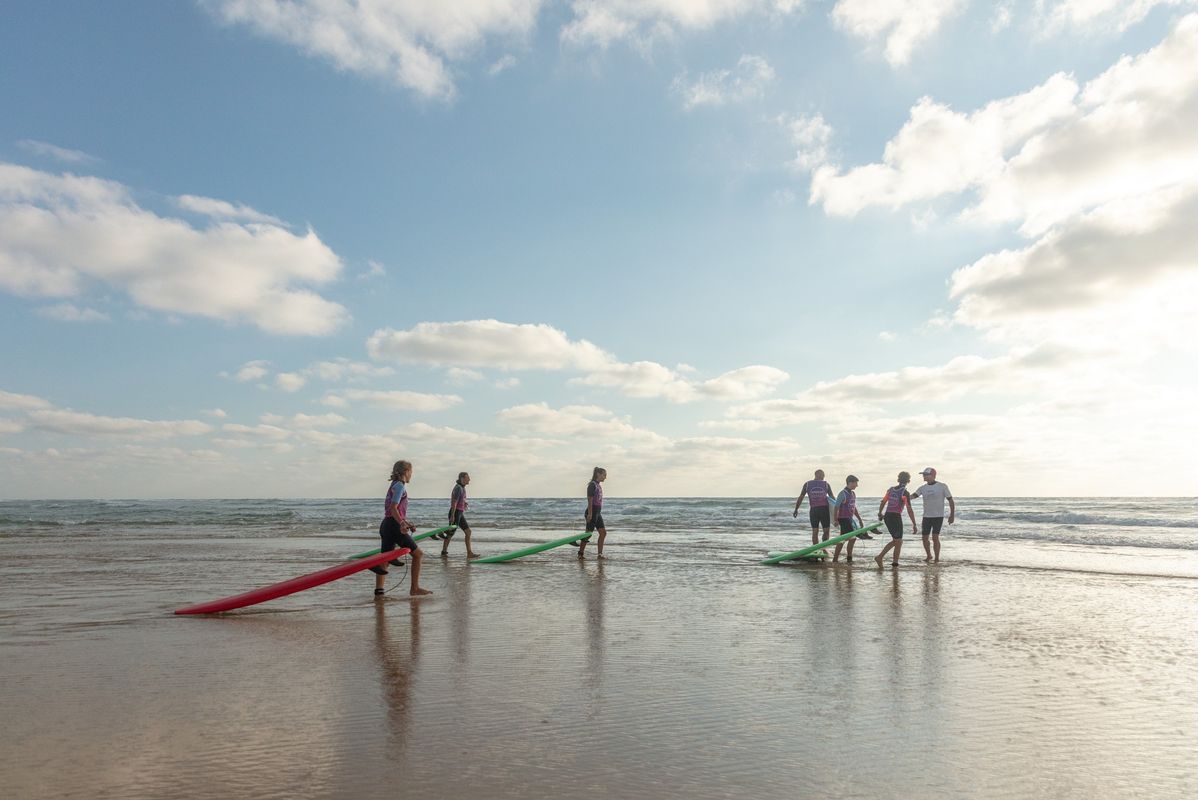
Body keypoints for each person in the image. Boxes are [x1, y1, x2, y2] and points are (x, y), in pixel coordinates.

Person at [374, 460, 432, 597]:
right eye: (411, 472)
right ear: (406, 472)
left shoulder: (393, 485)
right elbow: (393, 508)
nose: (412, 474)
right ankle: (415, 588)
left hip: (386, 524)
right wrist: (401, 523)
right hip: (393, 526)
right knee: (418, 554)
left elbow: (393, 511)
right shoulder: (400, 486)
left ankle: (379, 591)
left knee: (385, 560)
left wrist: (405, 522)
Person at [874, 471, 918, 568]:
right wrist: (914, 524)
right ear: (909, 481)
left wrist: (880, 513)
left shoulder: (891, 490)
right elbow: (909, 510)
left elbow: (883, 502)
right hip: (895, 517)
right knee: (897, 541)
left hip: (887, 516)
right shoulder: (905, 493)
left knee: (898, 540)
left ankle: (895, 563)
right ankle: (880, 557)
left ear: (898, 480)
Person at [912, 467, 955, 563]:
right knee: (924, 538)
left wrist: (952, 515)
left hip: (938, 516)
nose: (924, 476)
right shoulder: (922, 488)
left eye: (926, 474)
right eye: (923, 474)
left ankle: (937, 558)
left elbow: (951, 501)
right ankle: (929, 556)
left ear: (933, 475)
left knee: (935, 537)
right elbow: (913, 496)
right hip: (926, 516)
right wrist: (903, 497)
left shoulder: (942, 486)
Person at [793, 469, 835, 545]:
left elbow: (801, 497)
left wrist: (796, 509)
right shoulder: (826, 484)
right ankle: (823, 548)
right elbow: (832, 498)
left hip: (814, 510)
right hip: (824, 510)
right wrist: (837, 509)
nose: (823, 478)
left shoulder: (807, 484)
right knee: (826, 531)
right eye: (823, 476)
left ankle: (816, 549)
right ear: (820, 475)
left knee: (815, 531)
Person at [444, 471, 479, 559]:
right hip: (455, 513)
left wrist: (464, 503)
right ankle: (444, 551)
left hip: (459, 513)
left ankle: (469, 553)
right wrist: (452, 516)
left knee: (468, 532)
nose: (469, 479)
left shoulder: (462, 488)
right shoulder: (458, 488)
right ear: (462, 478)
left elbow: (459, 500)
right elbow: (454, 503)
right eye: (468, 477)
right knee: (450, 533)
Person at [831, 475, 864, 562]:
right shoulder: (842, 493)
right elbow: (836, 507)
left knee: (844, 539)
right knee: (850, 538)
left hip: (849, 519)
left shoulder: (853, 494)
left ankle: (839, 558)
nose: (857, 485)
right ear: (850, 482)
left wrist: (859, 519)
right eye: (856, 483)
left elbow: (854, 507)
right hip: (843, 519)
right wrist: (835, 519)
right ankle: (847, 558)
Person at [578, 467, 607, 559]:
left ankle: (600, 554)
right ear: (598, 474)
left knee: (603, 533)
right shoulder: (592, 485)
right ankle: (580, 554)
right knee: (588, 534)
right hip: (592, 512)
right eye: (604, 475)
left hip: (597, 513)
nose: (605, 477)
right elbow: (589, 500)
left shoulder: (598, 485)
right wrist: (590, 514)